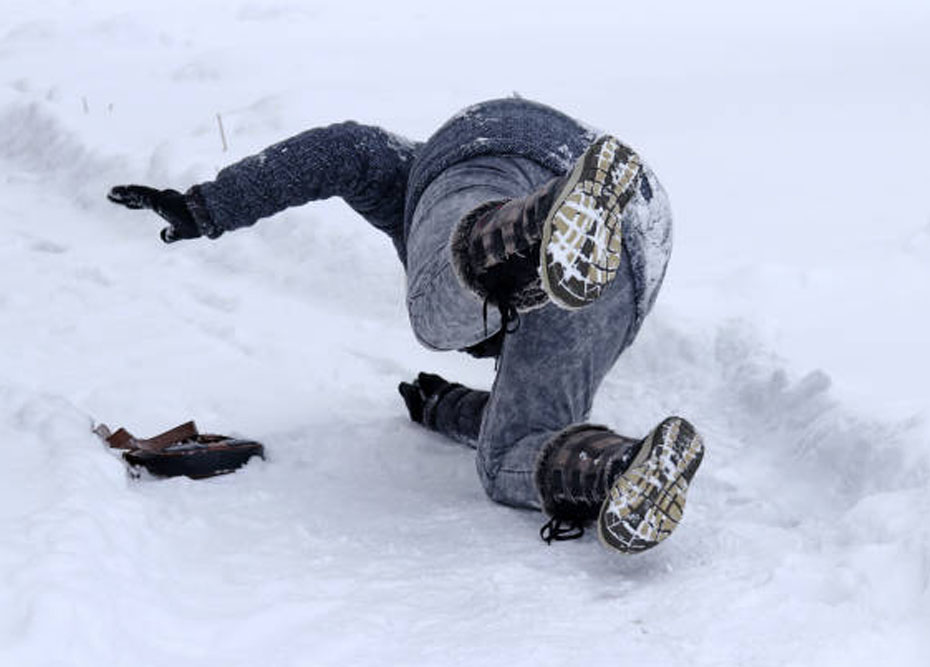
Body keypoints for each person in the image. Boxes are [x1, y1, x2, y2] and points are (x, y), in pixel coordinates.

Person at [108, 96, 705, 555]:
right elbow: (502, 412)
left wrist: (208, 206)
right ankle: (625, 471)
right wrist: (444, 408)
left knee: (437, 313)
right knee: (508, 459)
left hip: (493, 145)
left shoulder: (409, 172)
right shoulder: (569, 278)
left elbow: (344, 150)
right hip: (639, 242)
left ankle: (534, 221)